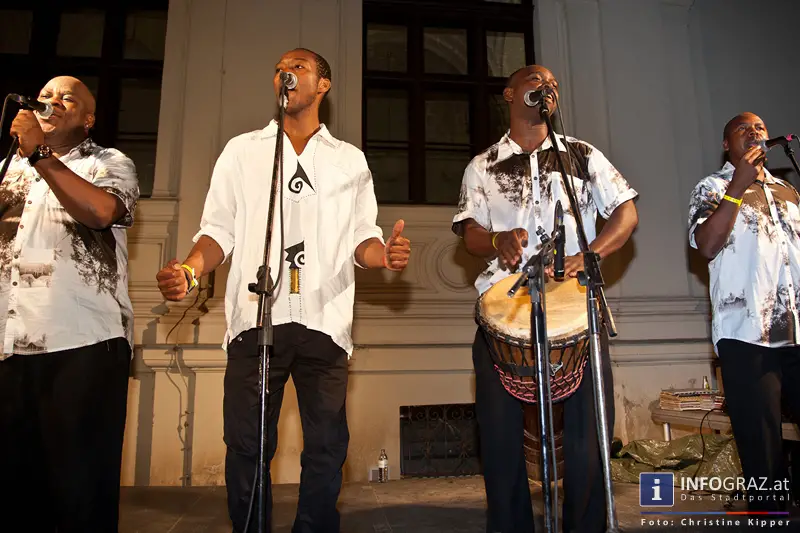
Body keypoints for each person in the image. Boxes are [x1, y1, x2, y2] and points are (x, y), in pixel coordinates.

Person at [156, 48, 411, 533]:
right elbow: (218, 231)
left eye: (298, 67)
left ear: (322, 86)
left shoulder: (349, 160)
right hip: (257, 316)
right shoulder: (243, 150)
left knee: (325, 445)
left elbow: (363, 236)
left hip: (324, 318)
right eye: (279, 68)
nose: (285, 73)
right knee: (248, 443)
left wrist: (385, 255)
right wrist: (190, 269)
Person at [452, 64, 639, 533]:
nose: (547, 87)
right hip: (505, 311)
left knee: (588, 434)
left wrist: (590, 253)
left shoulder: (581, 155)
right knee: (498, 436)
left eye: (553, 83)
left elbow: (626, 212)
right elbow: (470, 233)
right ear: (511, 94)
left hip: (576, 308)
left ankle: (588, 524)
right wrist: (497, 240)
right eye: (536, 81)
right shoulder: (484, 165)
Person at [0, 76, 139, 531]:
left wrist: (41, 155)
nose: (54, 102)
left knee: (77, 492)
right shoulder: (8, 169)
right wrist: (27, 157)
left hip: (82, 343)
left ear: (88, 118)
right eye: (48, 96)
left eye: (68, 99)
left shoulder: (108, 162)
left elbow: (100, 213)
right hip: (10, 345)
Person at [688, 112, 800, 511]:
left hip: (796, 328)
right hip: (746, 331)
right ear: (726, 145)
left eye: (760, 129)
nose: (754, 132)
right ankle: (769, 513)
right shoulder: (711, 187)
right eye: (743, 129)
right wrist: (736, 186)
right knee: (761, 438)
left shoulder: (788, 191)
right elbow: (706, 245)